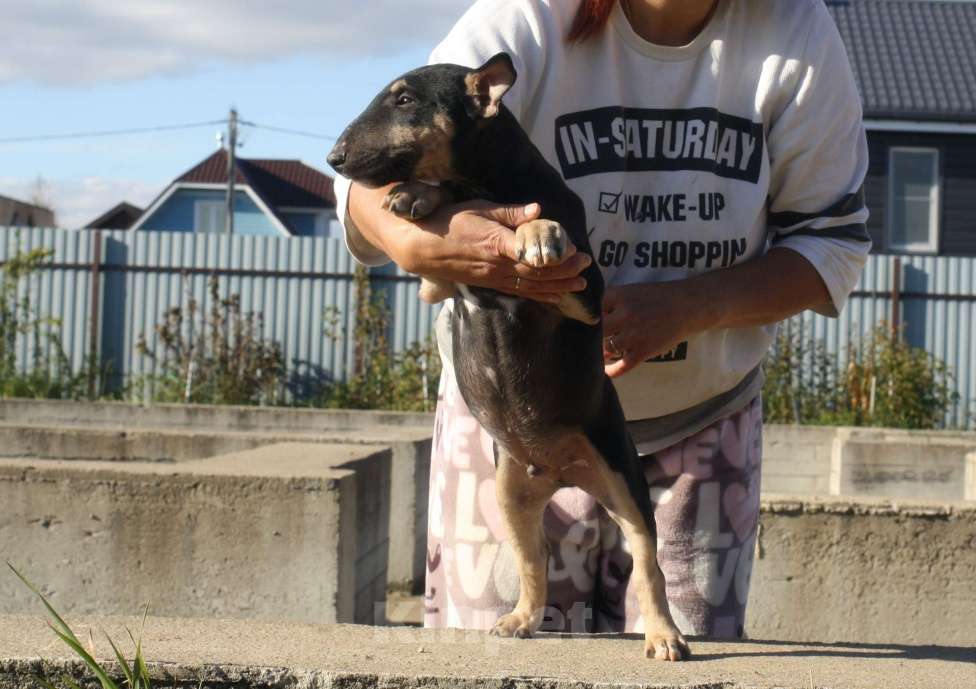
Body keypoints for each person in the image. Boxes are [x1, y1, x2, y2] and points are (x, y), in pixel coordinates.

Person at [333, 0, 869, 639]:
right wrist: (419, 244)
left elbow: (830, 245)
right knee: (494, 664)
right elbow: (364, 182)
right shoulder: (529, 16)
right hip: (505, 431)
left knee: (684, 667)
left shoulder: (796, 29)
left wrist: (686, 308)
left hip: (698, 434)